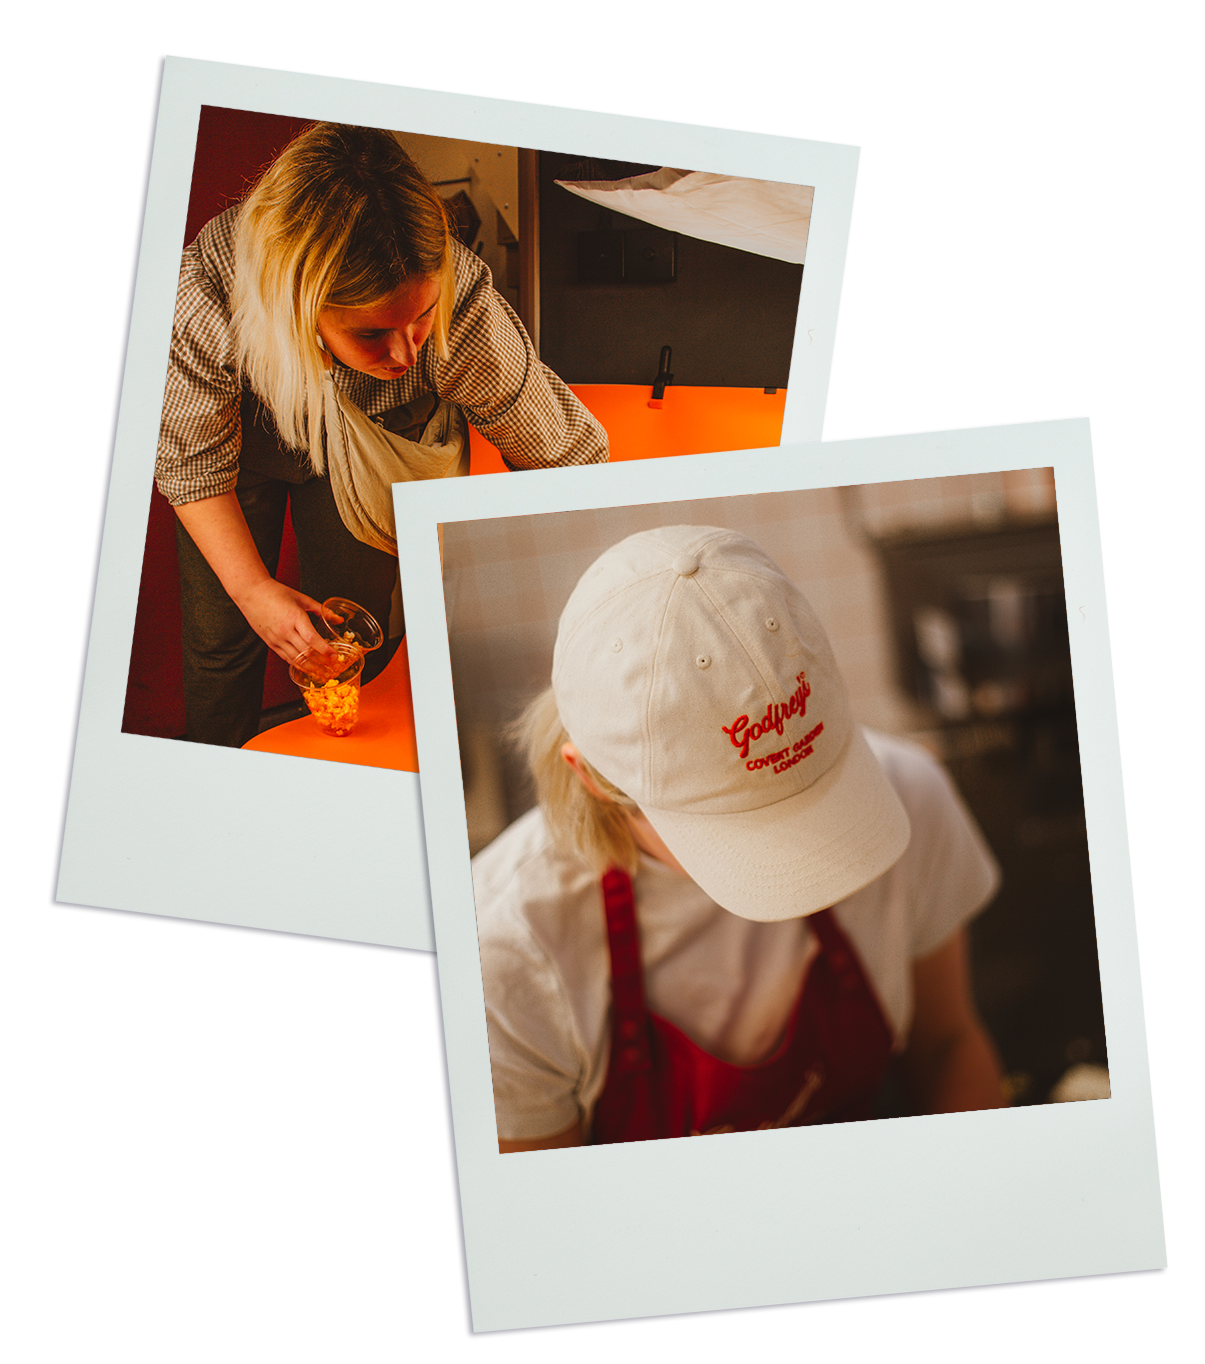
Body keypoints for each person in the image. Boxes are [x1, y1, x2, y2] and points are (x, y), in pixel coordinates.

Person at [472, 525, 1008, 1151]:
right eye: (741, 822)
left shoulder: (909, 795)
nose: (805, 854)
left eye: (815, 793)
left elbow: (946, 1046)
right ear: (591, 776)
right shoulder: (504, 951)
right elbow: (554, 1226)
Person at [156, 121, 607, 747]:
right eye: (371, 333)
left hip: (383, 433)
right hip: (243, 440)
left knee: (354, 638)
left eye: (420, 320)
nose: (404, 353)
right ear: (296, 307)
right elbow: (191, 466)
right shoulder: (209, 292)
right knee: (221, 641)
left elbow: (566, 459)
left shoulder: (460, 304)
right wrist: (254, 590)